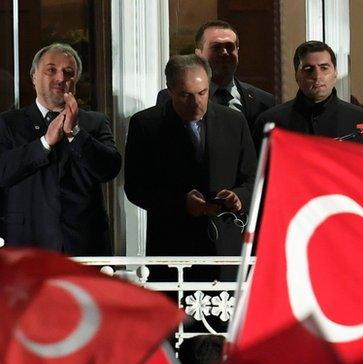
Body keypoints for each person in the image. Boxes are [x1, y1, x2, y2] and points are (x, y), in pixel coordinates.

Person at [124, 55, 256, 264]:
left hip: (226, 247)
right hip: (171, 247)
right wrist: (180, 203)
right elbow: (136, 188)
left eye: (202, 93)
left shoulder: (234, 121)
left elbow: (252, 178)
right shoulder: (145, 124)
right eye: (185, 95)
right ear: (170, 90)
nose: (196, 103)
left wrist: (238, 197)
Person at [0, 43, 121, 255]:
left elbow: (109, 169)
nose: (60, 78)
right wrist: (44, 143)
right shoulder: (9, 123)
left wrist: (75, 133)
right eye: (51, 70)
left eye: (68, 72)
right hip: (27, 244)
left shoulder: (94, 122)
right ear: (34, 76)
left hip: (83, 245)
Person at [156, 20, 275, 132]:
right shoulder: (170, 98)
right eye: (216, 47)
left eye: (229, 47)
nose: (224, 53)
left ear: (237, 51)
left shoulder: (263, 101)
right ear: (198, 54)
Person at [253, 41, 363, 148]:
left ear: (335, 73)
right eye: (309, 69)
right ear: (296, 76)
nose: (317, 76)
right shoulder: (271, 122)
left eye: (324, 68)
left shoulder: (361, 121)